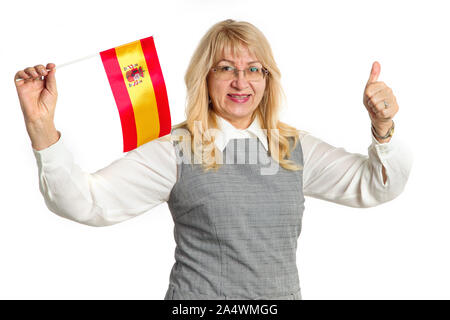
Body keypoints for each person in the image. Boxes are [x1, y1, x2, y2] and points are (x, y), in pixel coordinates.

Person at [14, 19, 412, 300]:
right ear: (205, 78)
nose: (242, 81)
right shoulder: (177, 149)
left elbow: (377, 184)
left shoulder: (293, 147)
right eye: (226, 69)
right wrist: (41, 126)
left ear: (267, 79)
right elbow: (86, 202)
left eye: (253, 69)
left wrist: (383, 126)